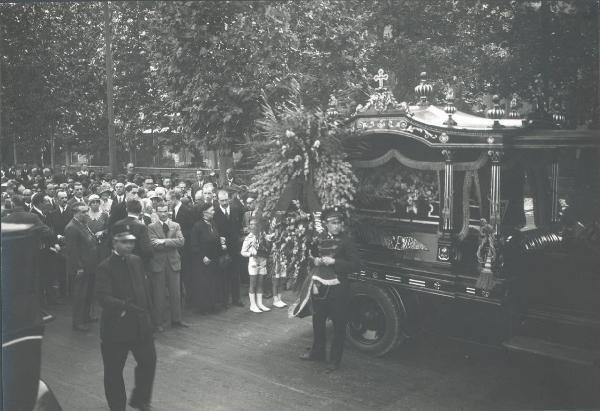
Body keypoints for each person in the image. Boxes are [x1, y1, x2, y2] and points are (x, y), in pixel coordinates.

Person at [95, 222, 156, 411]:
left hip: (140, 325)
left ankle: (140, 399)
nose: (129, 245)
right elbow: (103, 297)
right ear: (114, 243)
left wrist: (149, 315)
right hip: (116, 328)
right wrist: (124, 306)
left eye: (131, 242)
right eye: (124, 242)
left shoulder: (136, 261)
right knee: (113, 373)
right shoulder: (104, 267)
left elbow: (144, 290)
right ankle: (117, 407)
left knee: (148, 362)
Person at [294, 206, 360, 372]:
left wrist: (335, 262)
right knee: (318, 321)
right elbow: (311, 257)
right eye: (333, 223)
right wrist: (314, 261)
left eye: (339, 223)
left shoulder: (347, 241)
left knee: (338, 325)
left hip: (338, 288)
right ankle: (317, 353)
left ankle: (334, 361)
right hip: (320, 287)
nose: (337, 226)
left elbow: (357, 265)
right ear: (325, 224)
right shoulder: (320, 238)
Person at [147, 204, 187, 331]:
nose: (163, 214)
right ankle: (159, 322)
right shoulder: (151, 227)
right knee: (159, 294)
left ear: (169, 212)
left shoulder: (176, 225)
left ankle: (177, 319)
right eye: (160, 211)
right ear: (156, 212)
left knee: (176, 293)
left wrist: (164, 241)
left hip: (174, 263)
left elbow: (181, 242)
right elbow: (153, 244)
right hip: (158, 264)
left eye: (165, 211)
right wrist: (171, 242)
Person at [65, 202, 99, 331]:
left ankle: (86, 316)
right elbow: (72, 251)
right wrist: (79, 267)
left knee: (89, 292)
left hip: (90, 265)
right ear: (76, 213)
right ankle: (78, 322)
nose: (86, 214)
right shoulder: (71, 227)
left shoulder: (83, 225)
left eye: (87, 211)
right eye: (83, 212)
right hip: (81, 267)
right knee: (80, 294)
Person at [213, 189, 244, 307]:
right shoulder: (215, 213)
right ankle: (225, 300)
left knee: (236, 274)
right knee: (224, 274)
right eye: (222, 201)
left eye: (226, 200)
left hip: (235, 247)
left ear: (229, 199)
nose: (224, 203)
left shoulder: (236, 209)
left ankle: (237, 299)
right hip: (223, 248)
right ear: (218, 200)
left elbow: (239, 225)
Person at [190, 202, 221, 314]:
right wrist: (202, 257)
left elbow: (216, 237)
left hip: (214, 258)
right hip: (203, 260)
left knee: (213, 281)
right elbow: (194, 244)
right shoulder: (197, 226)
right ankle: (204, 307)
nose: (214, 212)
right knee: (204, 283)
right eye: (212, 210)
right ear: (204, 213)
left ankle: (213, 304)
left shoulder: (213, 223)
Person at [240, 217, 272, 313]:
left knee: (260, 283)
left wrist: (269, 241)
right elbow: (242, 252)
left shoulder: (263, 236)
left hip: (262, 261)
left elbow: (268, 246)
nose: (253, 226)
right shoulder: (248, 238)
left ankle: (260, 303)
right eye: (251, 224)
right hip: (253, 262)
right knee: (253, 284)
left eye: (255, 224)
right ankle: (253, 305)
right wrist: (251, 253)